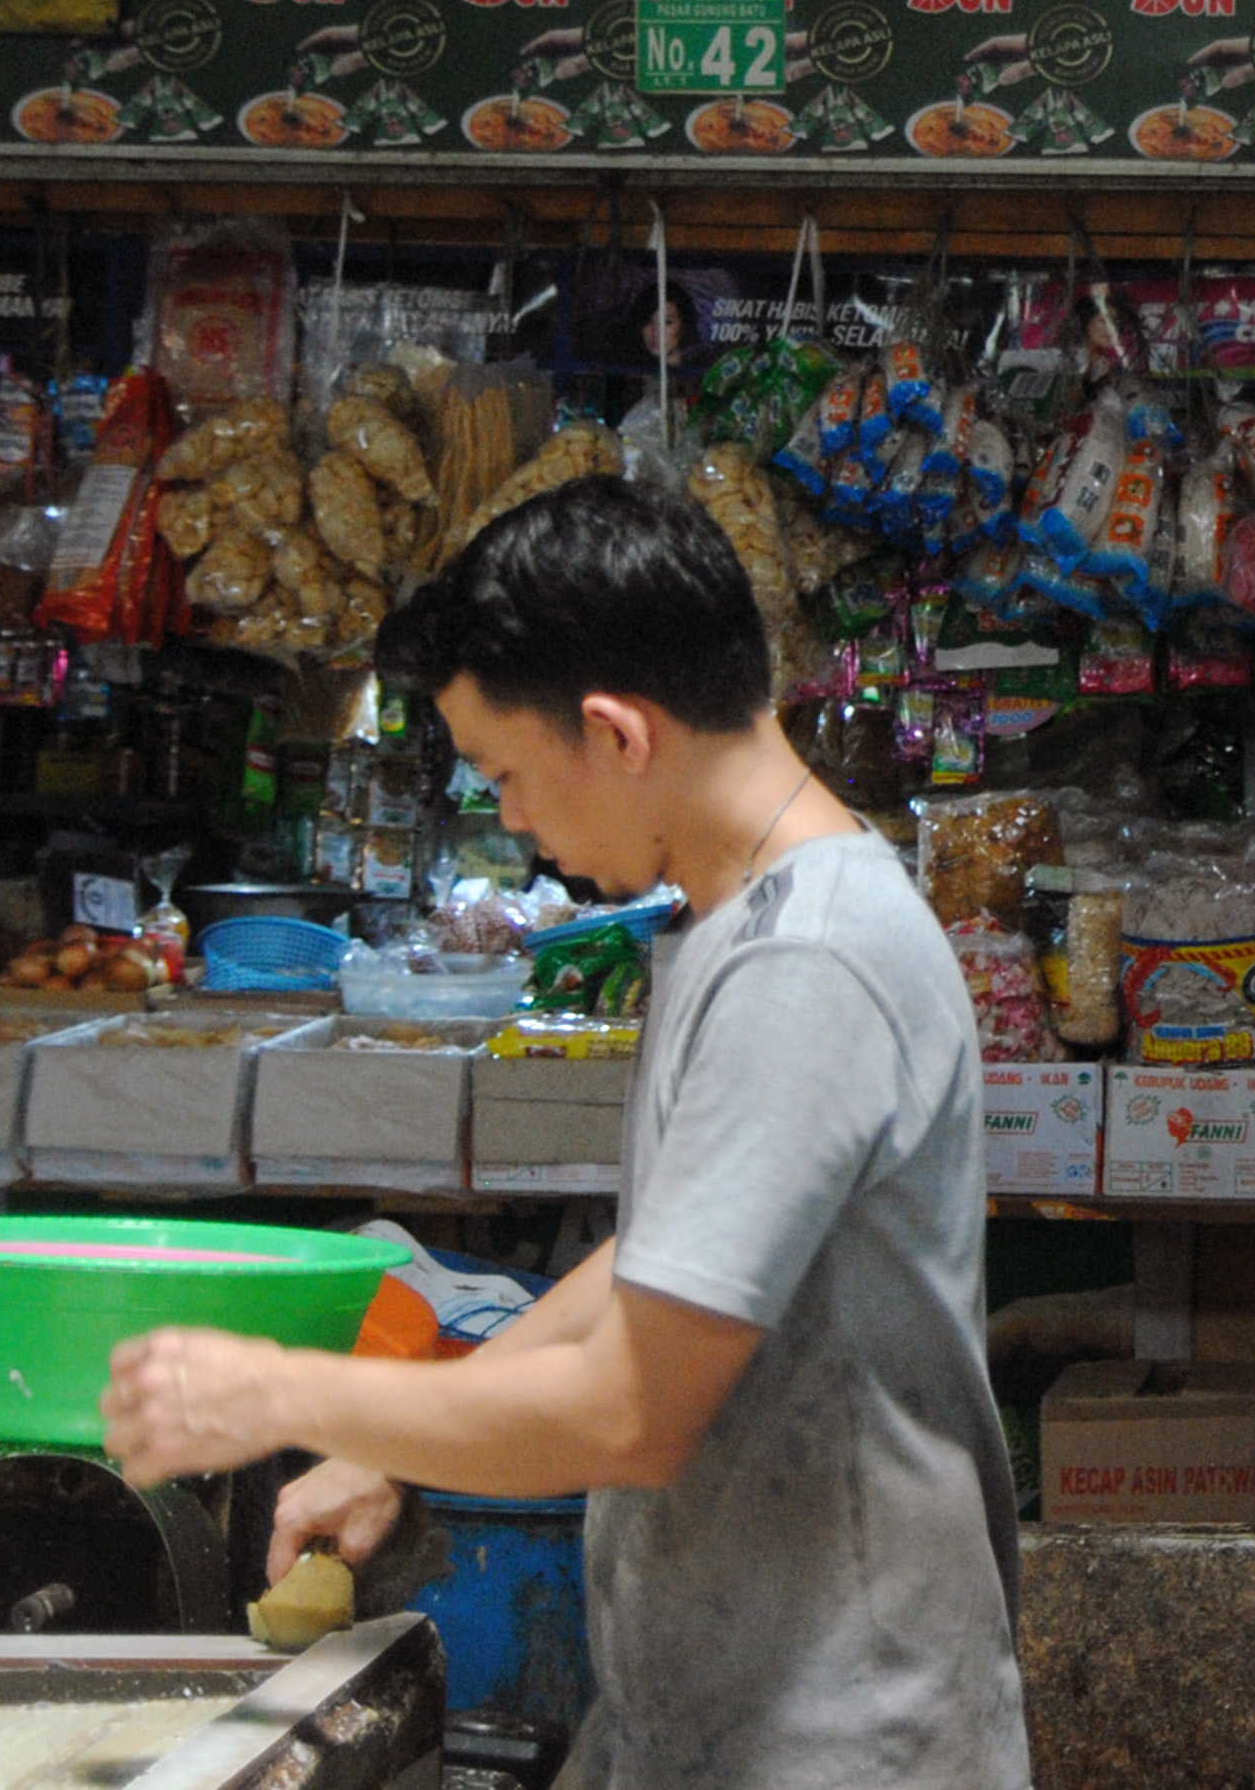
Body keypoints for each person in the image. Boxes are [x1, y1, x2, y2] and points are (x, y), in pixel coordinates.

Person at [97, 478, 1024, 1790]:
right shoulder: (740, 921)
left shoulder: (806, 965)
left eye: (509, 773)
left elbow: (632, 1409)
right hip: (717, 1705)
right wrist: (387, 1437)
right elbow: (670, 1260)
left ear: (615, 732)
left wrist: (279, 1394)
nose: (515, 817)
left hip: (833, 1735)